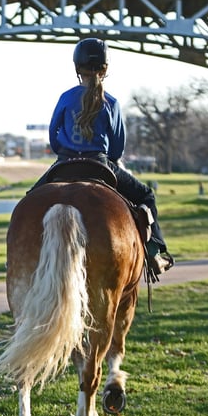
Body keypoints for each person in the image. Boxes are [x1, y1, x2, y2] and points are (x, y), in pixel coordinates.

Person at [31, 37, 174, 276]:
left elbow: (53, 135)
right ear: (105, 69)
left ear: (77, 68)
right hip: (100, 164)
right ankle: (154, 253)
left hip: (64, 163)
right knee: (145, 196)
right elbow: (117, 149)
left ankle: (18, 257)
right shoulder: (112, 103)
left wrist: (64, 151)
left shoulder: (66, 97)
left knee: (30, 200)